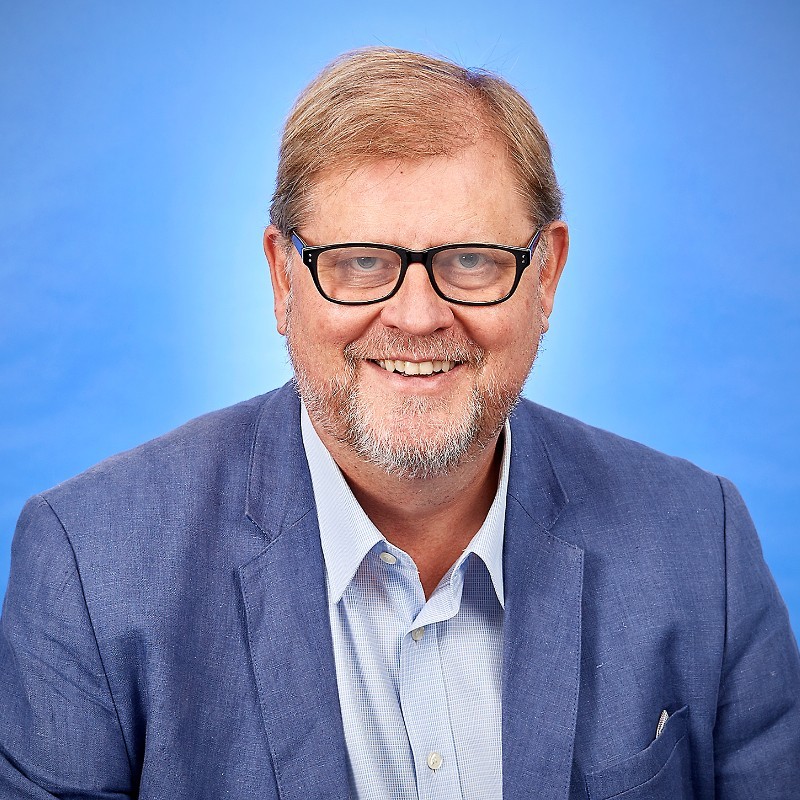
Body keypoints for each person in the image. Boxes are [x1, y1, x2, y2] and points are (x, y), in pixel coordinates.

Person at [1, 47, 798, 800]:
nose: (417, 318)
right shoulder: (90, 566)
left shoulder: (703, 541)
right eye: (359, 261)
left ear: (546, 276)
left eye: (472, 259)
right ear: (283, 278)